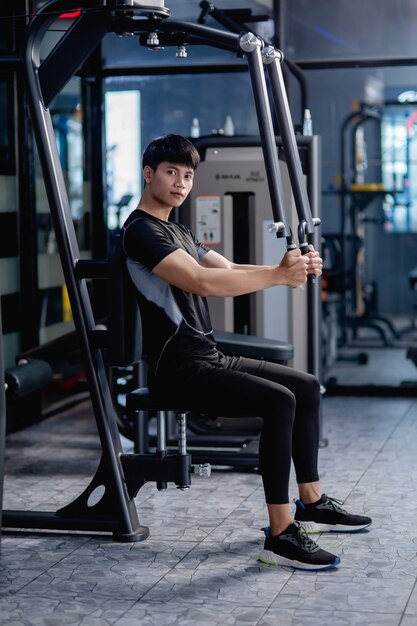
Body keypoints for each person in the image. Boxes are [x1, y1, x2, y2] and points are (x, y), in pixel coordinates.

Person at [121, 134, 372, 571]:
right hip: (177, 369)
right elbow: (202, 282)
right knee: (280, 401)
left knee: (306, 386)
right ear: (149, 174)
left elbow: (229, 269)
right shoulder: (141, 232)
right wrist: (279, 276)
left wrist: (288, 269)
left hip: (207, 356)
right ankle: (279, 534)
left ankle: (310, 502)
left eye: (187, 175)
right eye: (170, 172)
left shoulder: (177, 229)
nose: (181, 183)